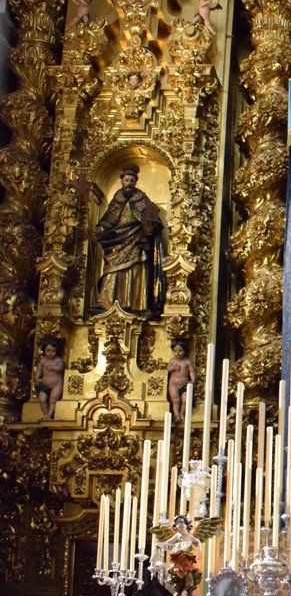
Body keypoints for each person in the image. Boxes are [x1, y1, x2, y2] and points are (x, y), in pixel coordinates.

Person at [93, 166, 166, 316]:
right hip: (117, 241)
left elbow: (151, 220)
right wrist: (100, 230)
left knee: (137, 269)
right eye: (127, 180)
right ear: (122, 181)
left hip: (136, 240)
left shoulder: (142, 198)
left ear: (135, 182)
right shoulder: (117, 199)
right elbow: (108, 220)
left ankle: (138, 306)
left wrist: (150, 225)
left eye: (132, 181)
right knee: (112, 269)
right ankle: (106, 302)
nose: (129, 183)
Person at [33, 338, 64, 419]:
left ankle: (49, 414)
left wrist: (53, 368)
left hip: (56, 384)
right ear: (44, 350)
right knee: (42, 399)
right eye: (48, 350)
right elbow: (39, 370)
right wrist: (36, 379)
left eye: (53, 351)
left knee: (52, 400)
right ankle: (46, 414)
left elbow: (61, 368)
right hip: (45, 384)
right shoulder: (42, 361)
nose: (50, 353)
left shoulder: (58, 360)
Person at [167, 339, 195, 424]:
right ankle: (177, 415)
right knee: (176, 400)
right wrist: (173, 368)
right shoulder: (172, 361)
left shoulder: (187, 361)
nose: (177, 353)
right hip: (173, 384)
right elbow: (168, 369)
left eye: (180, 351)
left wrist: (192, 380)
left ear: (185, 351)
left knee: (185, 400)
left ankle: (182, 414)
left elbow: (191, 372)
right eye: (175, 351)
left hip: (184, 385)